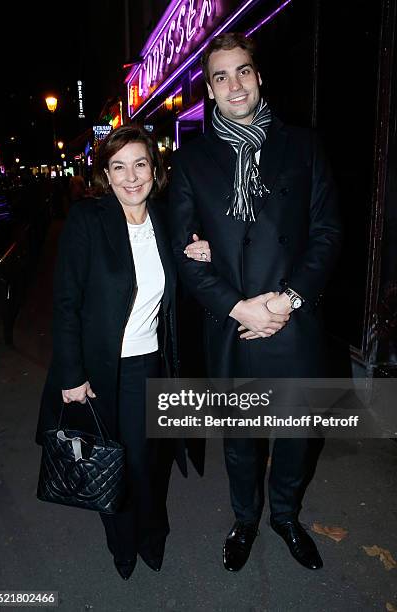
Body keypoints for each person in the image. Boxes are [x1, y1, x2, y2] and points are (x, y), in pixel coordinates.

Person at [170, 33, 342, 572]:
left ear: (258, 76)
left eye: (243, 71)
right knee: (241, 439)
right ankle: (245, 520)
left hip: (293, 320)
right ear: (210, 90)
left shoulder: (303, 146)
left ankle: (285, 517)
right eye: (221, 77)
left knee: (295, 435)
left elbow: (328, 232)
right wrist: (237, 307)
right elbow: (183, 251)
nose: (234, 84)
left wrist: (288, 300)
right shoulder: (193, 161)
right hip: (232, 326)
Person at [36, 124, 210, 580]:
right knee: (112, 459)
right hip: (101, 370)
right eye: (119, 167)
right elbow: (66, 302)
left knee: (150, 461)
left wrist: (201, 253)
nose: (131, 177)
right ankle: (123, 544)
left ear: (155, 169)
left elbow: (182, 290)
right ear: (105, 176)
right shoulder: (88, 220)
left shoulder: (167, 219)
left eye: (140, 164)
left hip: (154, 364)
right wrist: (72, 374)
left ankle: (152, 534)